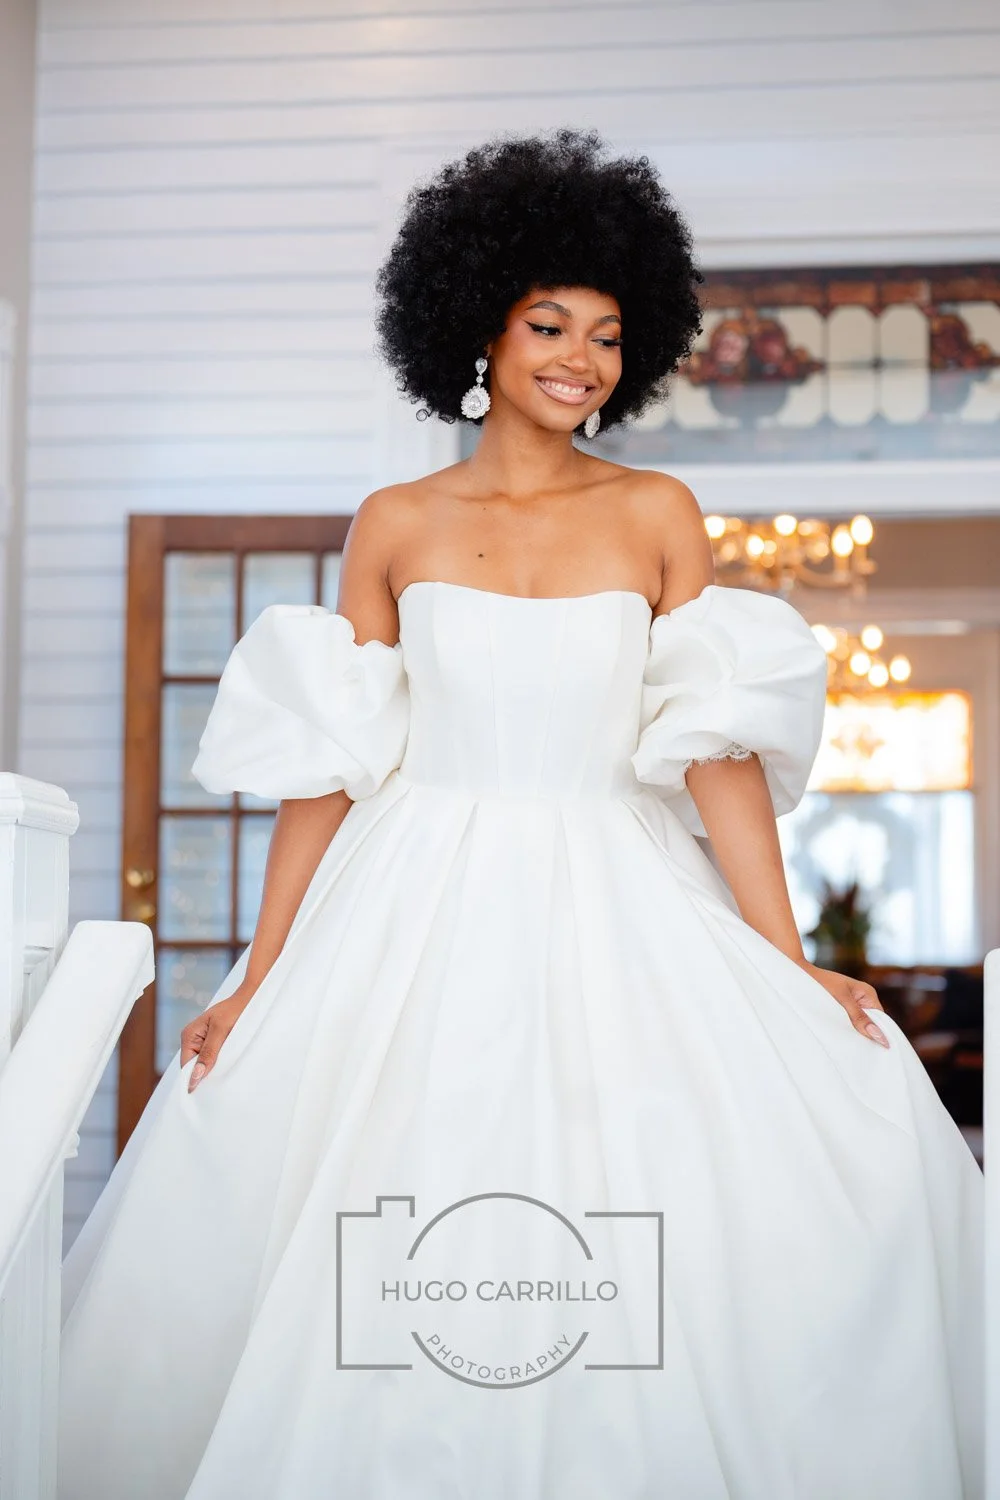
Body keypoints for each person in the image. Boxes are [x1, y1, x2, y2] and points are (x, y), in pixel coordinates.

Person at [57, 129, 983, 1500]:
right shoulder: (396, 521)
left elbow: (714, 758)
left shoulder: (660, 511)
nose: (581, 358)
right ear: (473, 326)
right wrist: (261, 975)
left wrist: (786, 968)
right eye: (550, 322)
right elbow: (336, 765)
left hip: (620, 886)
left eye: (609, 335)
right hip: (416, 892)